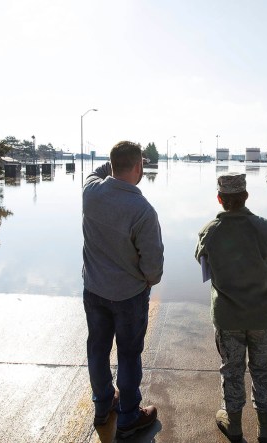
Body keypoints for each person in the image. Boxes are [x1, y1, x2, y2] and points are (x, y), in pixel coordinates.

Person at [195, 172, 267, 443]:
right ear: (246, 196)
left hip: (228, 319)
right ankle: (265, 429)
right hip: (264, 316)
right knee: (263, 371)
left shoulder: (209, 232)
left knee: (232, 369)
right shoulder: (266, 229)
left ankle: (234, 428)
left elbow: (201, 261)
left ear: (219, 198)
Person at [82, 140, 164, 439]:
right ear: (140, 166)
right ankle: (129, 417)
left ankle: (103, 405)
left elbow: (96, 172)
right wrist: (147, 281)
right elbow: (153, 267)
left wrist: (111, 164)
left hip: (94, 290)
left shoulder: (90, 193)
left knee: (98, 349)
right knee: (129, 355)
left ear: (112, 164)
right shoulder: (142, 210)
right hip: (129, 296)